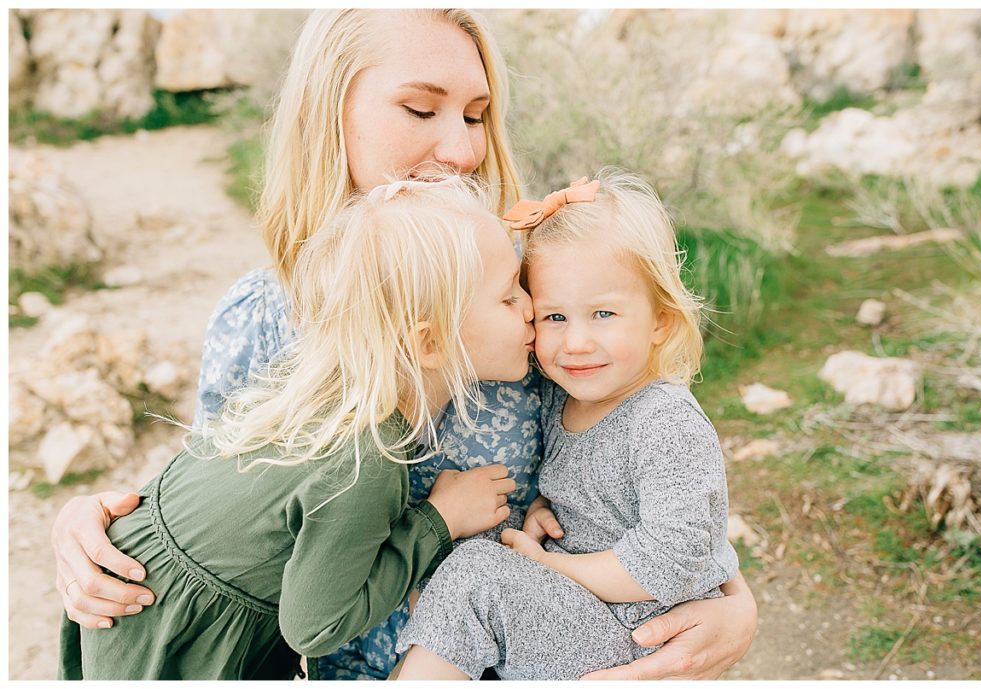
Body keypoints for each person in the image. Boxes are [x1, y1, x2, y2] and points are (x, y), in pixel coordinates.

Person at [49, 9, 757, 681]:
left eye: (477, 116)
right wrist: (93, 523)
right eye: (421, 109)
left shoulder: (521, 294)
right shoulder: (263, 314)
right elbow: (229, 514)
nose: (461, 148)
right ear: (327, 111)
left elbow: (653, 457)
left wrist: (735, 602)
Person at [59, 177, 535, 680]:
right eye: (509, 298)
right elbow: (316, 627)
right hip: (175, 635)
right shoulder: (364, 461)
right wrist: (438, 520)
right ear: (430, 343)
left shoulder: (311, 398)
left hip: (139, 603)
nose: (532, 308)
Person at [395, 171, 737, 680]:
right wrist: (541, 509)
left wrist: (554, 566)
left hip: (639, 631)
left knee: (475, 574)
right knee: (470, 552)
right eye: (554, 317)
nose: (575, 341)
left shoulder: (664, 422)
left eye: (603, 313)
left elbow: (674, 557)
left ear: (661, 320)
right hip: (584, 615)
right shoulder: (565, 398)